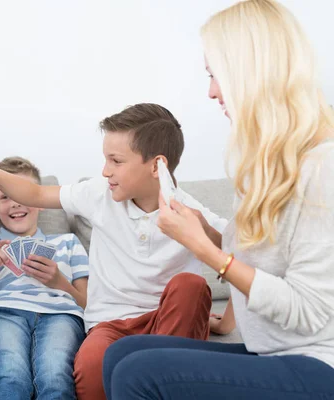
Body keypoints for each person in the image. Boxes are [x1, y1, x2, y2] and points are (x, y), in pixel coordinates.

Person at [102, 1, 334, 399]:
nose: (211, 92)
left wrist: (204, 250)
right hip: (275, 352)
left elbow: (308, 310)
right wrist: (207, 231)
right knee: (121, 354)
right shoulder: (266, 163)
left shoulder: (322, 168)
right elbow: (260, 261)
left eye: (215, 75)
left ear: (250, 73)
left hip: (317, 364)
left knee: (140, 373)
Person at [0, 103, 228, 400]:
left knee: (190, 286)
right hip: (111, 325)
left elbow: (247, 257)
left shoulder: (191, 213)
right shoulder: (98, 195)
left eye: (116, 161)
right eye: (105, 159)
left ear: (156, 166)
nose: (105, 171)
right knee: (90, 369)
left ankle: (161, 378)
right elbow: (37, 193)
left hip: (165, 325)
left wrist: (202, 235)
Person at [0, 156, 89, 400]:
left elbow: (88, 306)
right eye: (5, 196)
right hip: (5, 312)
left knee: (55, 376)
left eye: (23, 195)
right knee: (10, 374)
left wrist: (58, 281)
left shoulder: (68, 243)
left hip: (60, 314)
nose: (15, 203)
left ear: (41, 202)